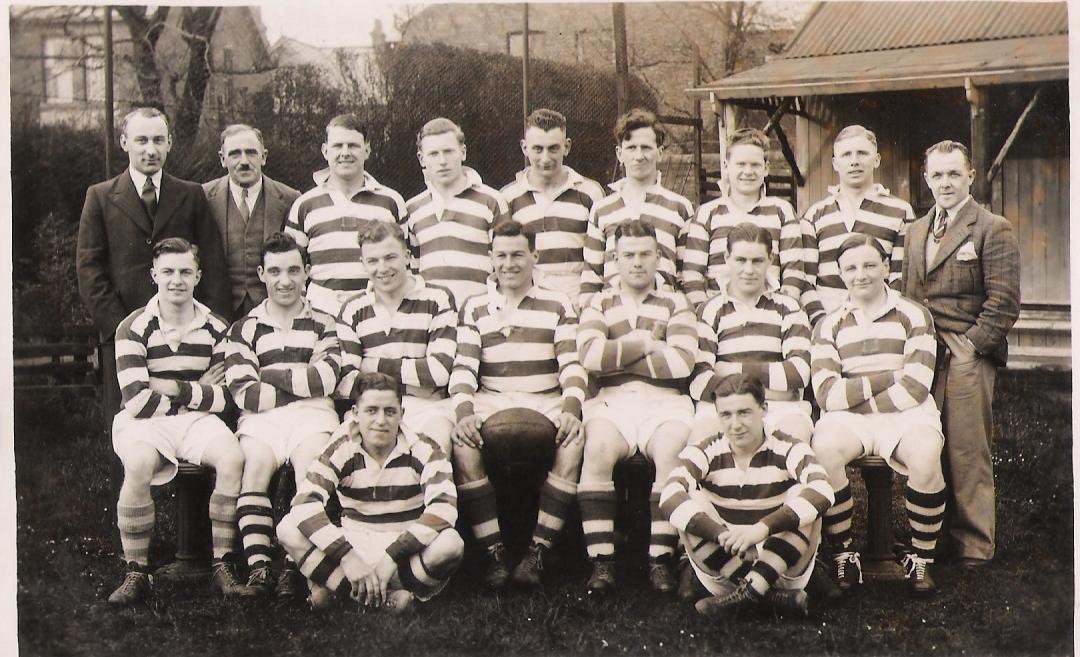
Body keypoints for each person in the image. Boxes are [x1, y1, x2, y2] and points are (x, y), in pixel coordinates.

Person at [107, 238, 248, 605]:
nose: (176, 280)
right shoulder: (132, 327)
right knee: (138, 463)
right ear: (153, 275)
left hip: (197, 421)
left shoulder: (217, 327)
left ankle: (222, 564)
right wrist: (197, 389)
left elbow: (225, 398)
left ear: (198, 276)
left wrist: (171, 386)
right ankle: (136, 571)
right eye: (168, 271)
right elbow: (137, 401)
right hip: (144, 424)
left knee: (232, 458)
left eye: (186, 272)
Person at [449, 221, 587, 589]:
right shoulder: (475, 306)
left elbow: (571, 364)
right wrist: (464, 414)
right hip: (492, 397)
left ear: (534, 256)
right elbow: (463, 368)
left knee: (573, 441)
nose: (509, 264)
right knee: (463, 444)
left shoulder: (558, 302)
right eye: (501, 255)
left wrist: (570, 409)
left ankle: (537, 550)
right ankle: (492, 552)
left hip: (545, 398)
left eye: (518, 255)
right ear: (490, 258)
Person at [902, 140, 1021, 568]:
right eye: (937, 175)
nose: (946, 183)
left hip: (965, 350)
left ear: (970, 176)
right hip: (922, 351)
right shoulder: (916, 231)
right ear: (927, 179)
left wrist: (971, 347)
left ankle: (973, 543)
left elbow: (1004, 302)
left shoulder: (992, 227)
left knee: (967, 447)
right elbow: (909, 293)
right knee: (928, 443)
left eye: (954, 173)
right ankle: (933, 537)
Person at [77, 107, 229, 434]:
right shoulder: (100, 197)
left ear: (170, 143)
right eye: (141, 140)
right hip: (124, 332)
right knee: (130, 426)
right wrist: (122, 330)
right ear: (124, 143)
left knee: (195, 421)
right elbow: (90, 270)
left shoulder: (191, 194)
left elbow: (213, 265)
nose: (151, 149)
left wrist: (210, 330)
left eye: (159, 140)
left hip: (186, 336)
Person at [811, 235, 945, 595]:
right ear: (840, 274)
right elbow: (826, 393)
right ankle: (843, 554)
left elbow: (915, 387)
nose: (861, 274)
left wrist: (853, 395)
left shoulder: (913, 314)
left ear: (886, 267)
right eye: (851, 268)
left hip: (907, 413)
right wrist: (887, 377)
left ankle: (921, 559)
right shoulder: (828, 324)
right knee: (824, 450)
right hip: (851, 419)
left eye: (870, 265)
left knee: (925, 453)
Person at [576, 219, 697, 595]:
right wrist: (646, 343)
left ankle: (660, 559)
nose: (638, 262)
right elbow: (590, 355)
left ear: (659, 256)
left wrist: (617, 355)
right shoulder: (599, 301)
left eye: (646, 253)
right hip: (612, 401)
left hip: (665, 402)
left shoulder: (676, 302)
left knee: (671, 450)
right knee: (597, 448)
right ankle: (601, 561)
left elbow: (682, 363)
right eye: (628, 255)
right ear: (615, 259)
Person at [277, 372, 463, 613]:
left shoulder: (424, 448)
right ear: (355, 413)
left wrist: (392, 556)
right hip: (356, 541)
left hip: (404, 546)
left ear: (402, 414)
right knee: (288, 528)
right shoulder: (342, 447)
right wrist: (347, 556)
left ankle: (348, 595)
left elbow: (444, 508)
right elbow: (305, 503)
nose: (381, 420)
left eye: (390, 411)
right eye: (371, 411)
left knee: (451, 543)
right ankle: (383, 599)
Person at [226, 232, 342, 601]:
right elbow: (245, 392)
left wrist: (269, 374)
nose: (285, 281)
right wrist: (300, 379)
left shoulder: (324, 322)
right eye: (275, 271)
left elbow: (326, 379)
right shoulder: (245, 327)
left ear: (307, 271)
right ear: (261, 274)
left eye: (293, 270)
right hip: (262, 419)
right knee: (255, 467)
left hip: (313, 415)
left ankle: (295, 564)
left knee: (311, 470)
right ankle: (260, 567)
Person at [660, 373, 834, 618]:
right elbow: (669, 496)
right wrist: (720, 534)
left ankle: (746, 596)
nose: (735, 425)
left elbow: (823, 490)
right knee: (690, 501)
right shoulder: (705, 450)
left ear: (764, 409)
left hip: (781, 566)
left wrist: (761, 529)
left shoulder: (789, 447)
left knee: (803, 495)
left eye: (744, 412)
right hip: (725, 564)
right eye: (726, 415)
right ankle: (764, 596)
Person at [336, 221, 458, 455]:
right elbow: (345, 382)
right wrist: (415, 384)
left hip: (427, 410)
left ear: (407, 256)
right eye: (373, 261)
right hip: (371, 410)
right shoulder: (352, 308)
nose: (382, 268)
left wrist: (370, 365)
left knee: (435, 449)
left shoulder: (438, 299)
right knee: (342, 452)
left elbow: (439, 372)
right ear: (363, 264)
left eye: (390, 257)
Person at [689, 222, 813, 445]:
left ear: (770, 259)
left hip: (780, 409)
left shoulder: (789, 307)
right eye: (740, 260)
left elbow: (798, 373)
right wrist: (776, 390)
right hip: (723, 407)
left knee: (794, 436)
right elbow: (699, 382)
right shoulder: (709, 310)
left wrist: (728, 370)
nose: (749, 270)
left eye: (757, 261)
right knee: (702, 438)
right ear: (726, 258)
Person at [285, 113, 407, 318]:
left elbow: (406, 263)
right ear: (325, 151)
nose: (345, 153)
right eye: (338, 146)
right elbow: (290, 266)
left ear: (367, 150)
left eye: (353, 146)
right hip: (320, 312)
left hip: (378, 311)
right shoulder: (304, 204)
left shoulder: (391, 201)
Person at [680, 127, 814, 310]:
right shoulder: (707, 213)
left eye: (755, 165)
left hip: (770, 312)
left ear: (766, 168)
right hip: (718, 312)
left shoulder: (782, 211)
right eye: (741, 164)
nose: (748, 171)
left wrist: (781, 313)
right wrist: (706, 315)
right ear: (726, 166)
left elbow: (793, 273)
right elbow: (692, 275)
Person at [801, 125, 915, 324]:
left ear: (876, 160)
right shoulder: (815, 215)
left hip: (880, 322)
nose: (854, 161)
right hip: (827, 322)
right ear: (835, 163)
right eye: (846, 155)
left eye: (862, 153)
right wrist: (822, 323)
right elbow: (806, 281)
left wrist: (882, 320)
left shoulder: (901, 212)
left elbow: (899, 278)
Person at [580, 108, 693, 309]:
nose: (639, 156)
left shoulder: (680, 207)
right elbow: (591, 278)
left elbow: (687, 276)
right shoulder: (601, 209)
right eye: (631, 148)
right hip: (614, 314)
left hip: (662, 314)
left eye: (646, 148)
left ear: (659, 152)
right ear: (619, 153)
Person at [500, 108, 607, 302]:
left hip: (578, 300)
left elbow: (600, 257)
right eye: (537, 149)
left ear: (567, 147)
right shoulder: (508, 196)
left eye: (553, 148)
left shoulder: (590, 193)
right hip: (530, 302)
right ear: (524, 148)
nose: (545, 158)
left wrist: (588, 302)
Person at [405, 117, 510, 307]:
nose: (442, 161)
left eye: (448, 151)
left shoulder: (492, 201)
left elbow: (505, 266)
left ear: (463, 152)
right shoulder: (413, 209)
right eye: (433, 154)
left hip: (480, 314)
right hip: (433, 316)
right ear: (421, 159)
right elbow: (413, 271)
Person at [203, 123, 301, 321]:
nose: (244, 161)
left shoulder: (290, 199)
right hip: (217, 310)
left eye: (251, 153)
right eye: (235, 154)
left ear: (263, 157)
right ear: (222, 159)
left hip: (272, 309)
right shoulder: (203, 197)